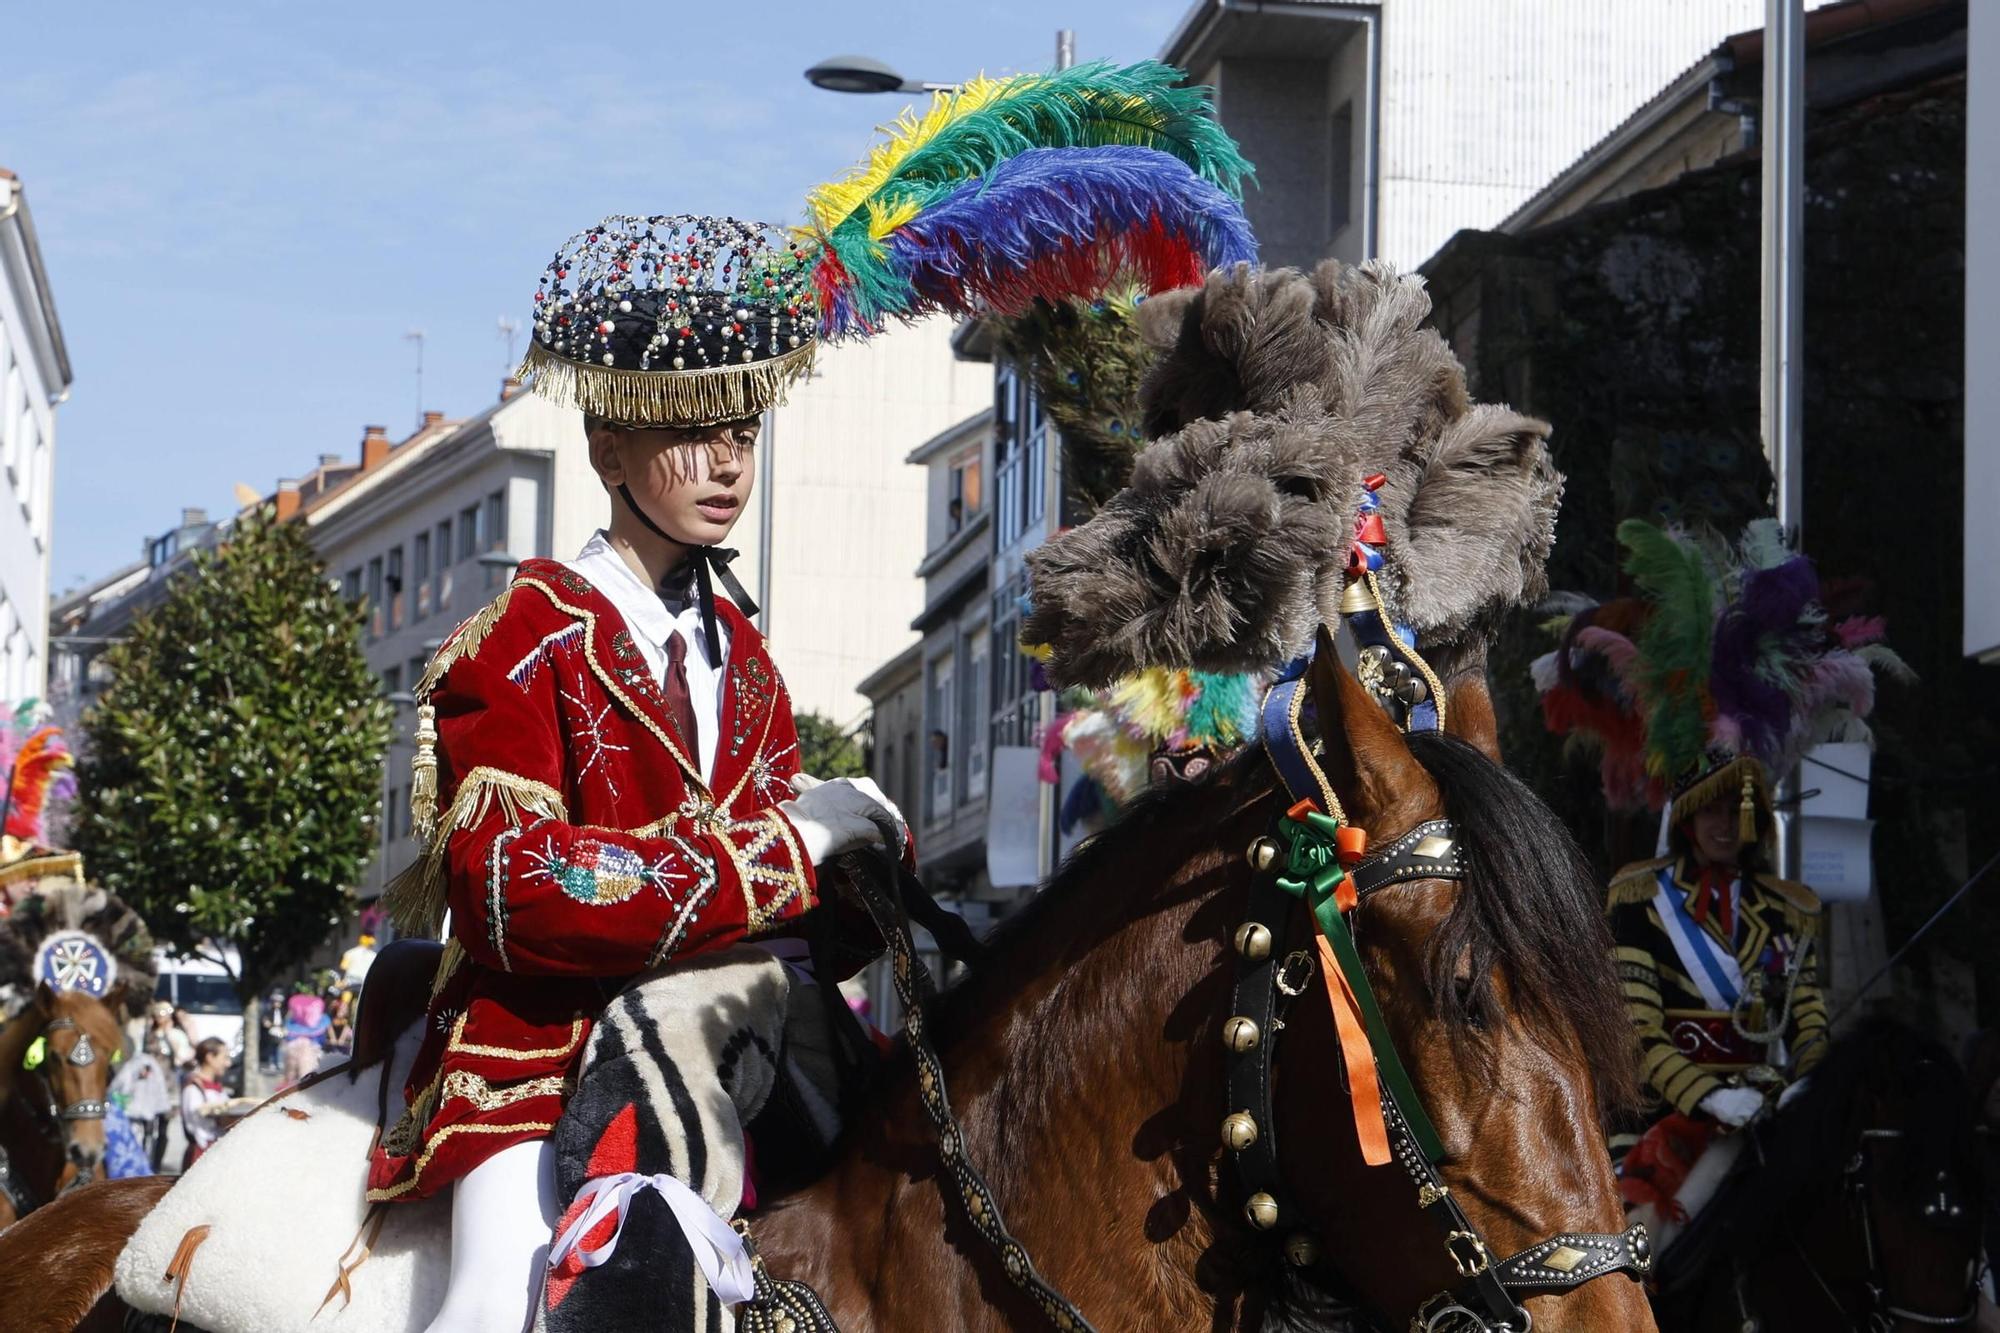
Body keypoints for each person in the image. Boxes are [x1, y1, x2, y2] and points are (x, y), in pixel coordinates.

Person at [366, 215, 906, 1333]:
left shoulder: (747, 661)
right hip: (544, 1054)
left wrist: (855, 870)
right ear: (607, 452)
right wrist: (780, 852)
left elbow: (784, 917)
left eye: (744, 436)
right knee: (498, 1305)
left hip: (749, 1041)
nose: (725, 466)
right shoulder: (520, 636)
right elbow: (515, 889)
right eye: (690, 436)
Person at [1531, 518, 1906, 1233]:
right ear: (1688, 813)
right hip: (1666, 1124)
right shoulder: (1640, 897)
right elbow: (1641, 1030)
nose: (1724, 826)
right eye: (1711, 811)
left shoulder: (1790, 906)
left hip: (1765, 1118)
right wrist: (1708, 1098)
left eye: (1738, 813)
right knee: (1652, 1249)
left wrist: (1802, 1085)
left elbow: (1809, 1019)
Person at [179, 1036, 230, 1170]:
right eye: (224, 1057)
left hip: (216, 1151)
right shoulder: (194, 1087)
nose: (227, 1063)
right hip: (201, 1155)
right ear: (210, 1057)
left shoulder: (217, 1086)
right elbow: (196, 1121)